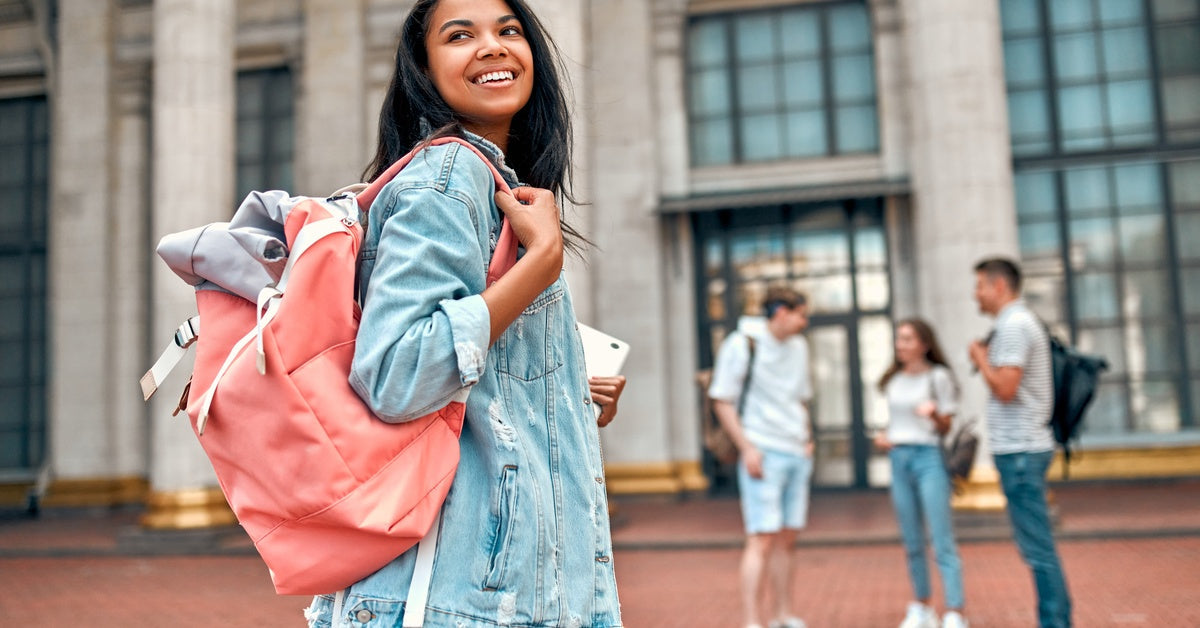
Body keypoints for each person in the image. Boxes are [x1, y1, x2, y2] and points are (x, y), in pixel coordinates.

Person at [302, 1, 625, 626]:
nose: (494, 46)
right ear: (423, 70)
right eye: (460, 36)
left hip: (495, 592)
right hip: (450, 596)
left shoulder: (496, 184)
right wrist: (540, 266)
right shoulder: (447, 174)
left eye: (509, 30)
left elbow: (466, 385)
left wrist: (564, 397)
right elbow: (397, 375)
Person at [967, 257, 1071, 628]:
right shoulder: (1015, 323)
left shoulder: (1013, 325)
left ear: (999, 286)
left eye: (979, 285)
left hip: (1022, 451)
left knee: (1038, 549)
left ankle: (1055, 622)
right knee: (1035, 547)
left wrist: (980, 359)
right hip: (1022, 449)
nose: (975, 294)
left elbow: (1006, 388)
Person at [708, 287, 813, 628]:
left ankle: (783, 614)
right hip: (763, 453)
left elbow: (801, 398)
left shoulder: (799, 347)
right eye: (801, 314)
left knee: (788, 539)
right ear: (781, 312)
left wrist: (807, 437)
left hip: (797, 450)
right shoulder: (742, 343)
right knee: (761, 538)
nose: (804, 322)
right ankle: (753, 622)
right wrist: (748, 448)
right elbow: (722, 400)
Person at [874, 319, 968, 628]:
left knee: (941, 538)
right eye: (898, 339)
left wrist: (934, 415)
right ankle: (922, 606)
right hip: (899, 458)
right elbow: (896, 422)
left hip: (929, 458)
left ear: (924, 344)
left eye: (907, 339)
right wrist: (885, 437)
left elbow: (946, 426)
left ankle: (954, 611)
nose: (901, 345)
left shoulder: (938, 377)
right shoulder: (893, 380)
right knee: (912, 540)